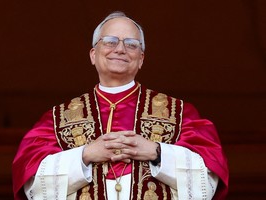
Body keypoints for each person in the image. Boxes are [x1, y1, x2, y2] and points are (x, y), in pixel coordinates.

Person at [12, 11, 229, 200]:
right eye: (110, 41)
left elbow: (208, 180)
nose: (120, 49)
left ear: (141, 58)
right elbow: (32, 183)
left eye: (131, 44)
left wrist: (157, 152)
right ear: (93, 55)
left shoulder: (180, 114)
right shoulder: (58, 118)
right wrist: (85, 155)